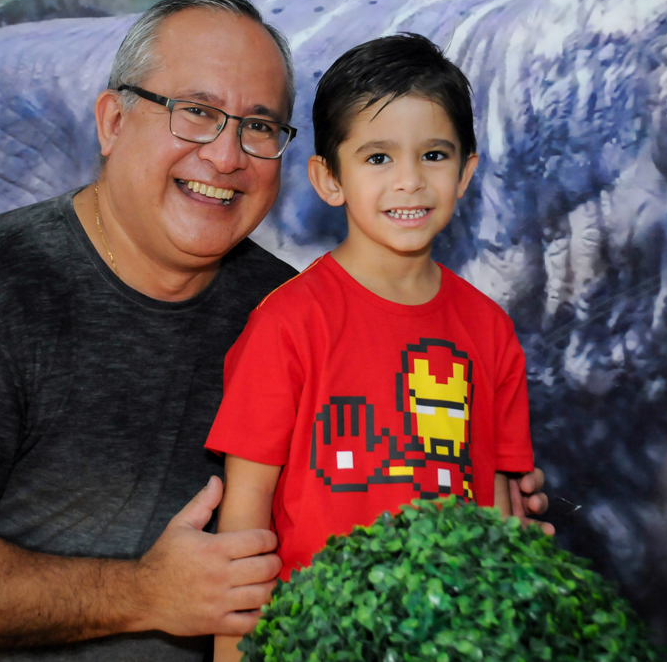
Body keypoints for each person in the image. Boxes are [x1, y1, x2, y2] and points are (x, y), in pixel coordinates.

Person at [0, 0, 551, 662]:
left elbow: (371, 480)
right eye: (194, 112)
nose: (226, 155)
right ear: (113, 121)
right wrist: (143, 591)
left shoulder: (289, 311)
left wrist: (476, 514)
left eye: (258, 126)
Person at [207, 33, 541, 662]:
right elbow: (245, 514)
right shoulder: (286, 323)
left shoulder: (490, 331)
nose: (410, 181)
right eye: (378, 158)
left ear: (467, 171)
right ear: (329, 178)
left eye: (434, 155)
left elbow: (500, 515)